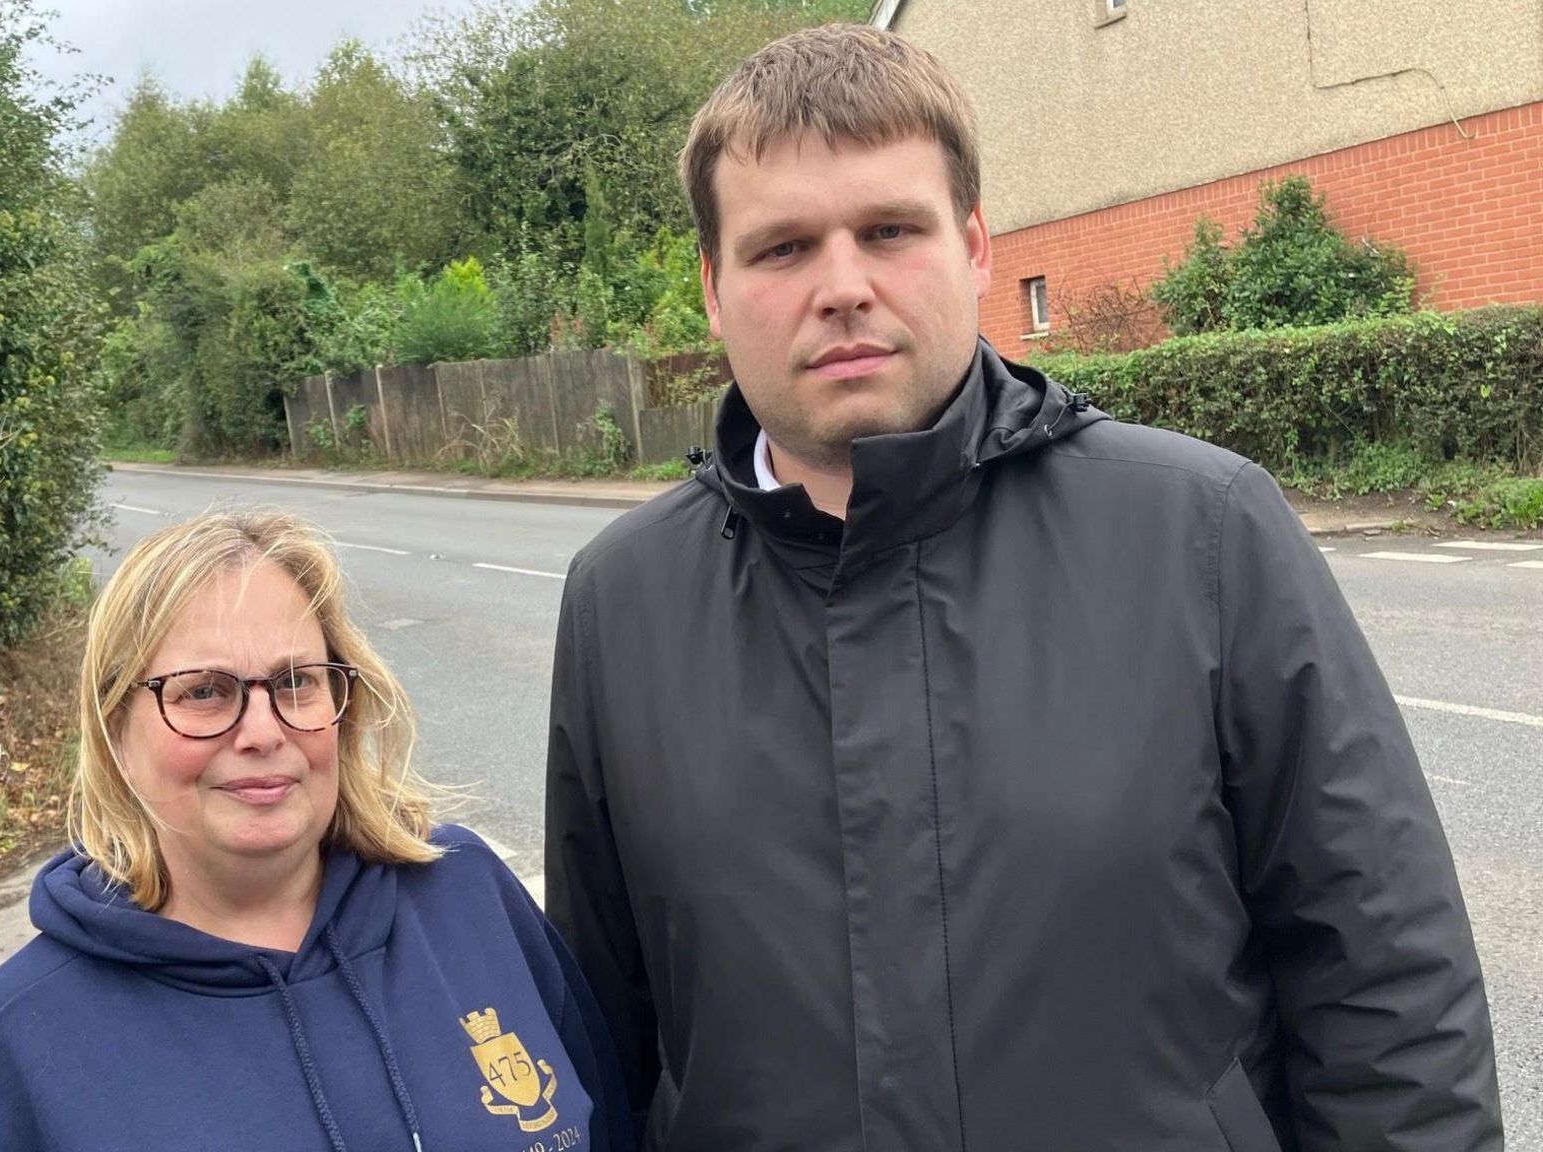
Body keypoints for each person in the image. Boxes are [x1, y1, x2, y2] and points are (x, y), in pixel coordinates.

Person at [545, 23, 1500, 1152]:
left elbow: (1386, 987)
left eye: (888, 230)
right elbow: (601, 1039)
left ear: (975, 245)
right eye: (782, 248)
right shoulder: (621, 603)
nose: (841, 286)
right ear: (713, 287)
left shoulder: (1199, 532)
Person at [0, 510, 630, 1152]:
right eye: (204, 691)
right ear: (115, 728)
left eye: (297, 681)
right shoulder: (22, 1039)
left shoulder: (468, 893)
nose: (263, 732)